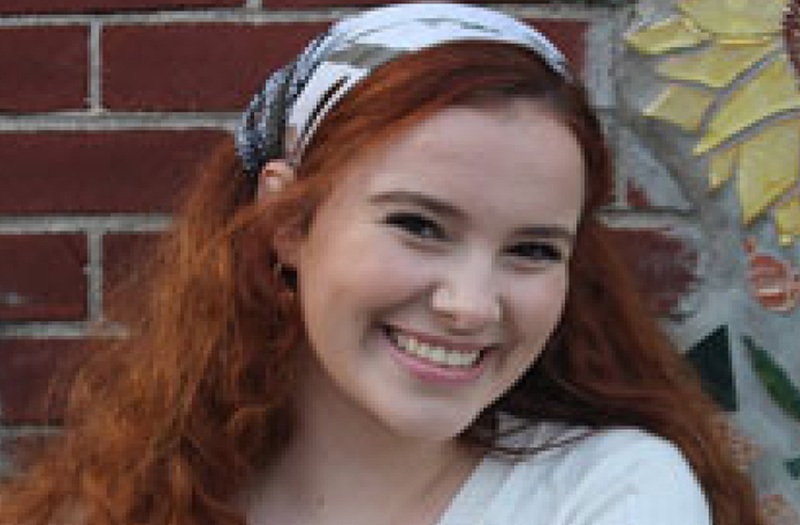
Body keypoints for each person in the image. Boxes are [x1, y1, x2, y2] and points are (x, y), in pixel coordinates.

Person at [0, 3, 763, 525]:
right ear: (288, 221)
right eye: (420, 225)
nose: (471, 304)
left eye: (532, 249)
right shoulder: (127, 499)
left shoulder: (606, 494)